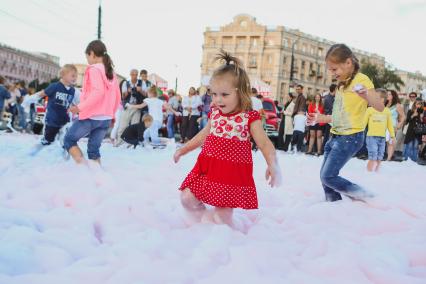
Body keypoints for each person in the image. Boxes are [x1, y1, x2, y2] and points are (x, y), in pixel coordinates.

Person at [173, 50, 278, 228]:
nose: (218, 100)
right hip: (208, 168)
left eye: (224, 95)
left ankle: (226, 237)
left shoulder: (249, 117)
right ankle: (202, 223)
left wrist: (272, 164)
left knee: (222, 218)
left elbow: (264, 143)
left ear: (240, 93)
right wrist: (183, 149)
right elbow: (202, 136)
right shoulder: (215, 114)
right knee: (186, 198)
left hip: (230, 175)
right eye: (214, 94)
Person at [307, 43, 384, 202]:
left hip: (350, 137)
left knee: (328, 176)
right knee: (325, 178)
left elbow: (379, 106)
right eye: (330, 70)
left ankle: (366, 196)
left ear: (348, 63)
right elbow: (340, 115)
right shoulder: (342, 85)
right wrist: (322, 118)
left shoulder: (361, 79)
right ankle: (334, 204)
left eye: (334, 69)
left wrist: (365, 96)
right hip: (334, 136)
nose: (332, 73)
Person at [64, 40, 121, 164]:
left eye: (87, 57)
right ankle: (98, 176)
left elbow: (98, 92)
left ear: (92, 54)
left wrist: (80, 107)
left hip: (92, 116)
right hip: (105, 118)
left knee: (69, 140)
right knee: (94, 150)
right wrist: (110, 113)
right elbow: (117, 96)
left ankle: (84, 170)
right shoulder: (110, 71)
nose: (87, 60)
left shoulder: (94, 69)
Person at [23, 64, 79, 146]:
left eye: (76, 76)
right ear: (63, 75)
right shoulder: (55, 86)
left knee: (65, 141)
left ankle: (62, 155)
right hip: (52, 121)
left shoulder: (73, 91)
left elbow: (76, 103)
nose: (75, 78)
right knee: (48, 141)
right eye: (73, 76)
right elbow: (40, 95)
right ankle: (37, 150)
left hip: (65, 120)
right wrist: (28, 100)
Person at [364, 89, 395, 172]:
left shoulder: (387, 111)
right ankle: (369, 172)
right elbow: (363, 123)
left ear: (382, 99)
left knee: (380, 156)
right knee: (373, 155)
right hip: (371, 137)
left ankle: (376, 171)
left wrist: (392, 136)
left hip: (382, 137)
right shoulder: (369, 110)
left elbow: (390, 125)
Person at [116, 69, 144, 145]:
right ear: (130, 74)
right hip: (128, 106)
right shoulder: (126, 83)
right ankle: (119, 141)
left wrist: (140, 90)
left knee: (135, 126)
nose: (134, 76)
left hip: (137, 106)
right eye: (133, 74)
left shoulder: (141, 83)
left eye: (136, 74)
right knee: (123, 125)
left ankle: (132, 143)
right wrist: (128, 91)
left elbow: (146, 94)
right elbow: (123, 96)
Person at [386, 90, 405, 161]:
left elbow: (403, 116)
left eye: (389, 94)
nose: (387, 95)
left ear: (393, 96)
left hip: (393, 126)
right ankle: (389, 156)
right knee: (388, 142)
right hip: (384, 126)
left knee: (391, 142)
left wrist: (398, 125)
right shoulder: (386, 104)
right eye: (387, 94)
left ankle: (389, 158)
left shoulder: (397, 105)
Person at [322, 84, 337, 148]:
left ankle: (325, 148)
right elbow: (330, 109)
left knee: (329, 135)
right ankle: (324, 149)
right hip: (330, 119)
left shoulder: (331, 97)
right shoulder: (328, 98)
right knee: (327, 135)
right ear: (334, 89)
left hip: (331, 118)